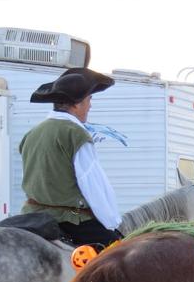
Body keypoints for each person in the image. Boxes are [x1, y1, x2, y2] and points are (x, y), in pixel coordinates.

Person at [21, 67, 123, 248]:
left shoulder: (32, 133)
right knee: (120, 256)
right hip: (69, 219)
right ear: (76, 104)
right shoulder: (76, 135)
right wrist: (112, 223)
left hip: (30, 216)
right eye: (89, 99)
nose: (90, 105)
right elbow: (93, 185)